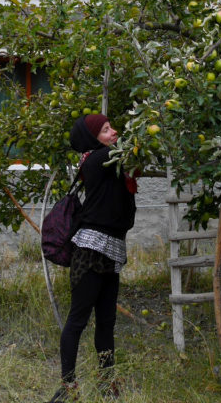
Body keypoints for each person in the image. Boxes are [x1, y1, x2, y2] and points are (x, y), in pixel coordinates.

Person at [48, 113, 137, 402]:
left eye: (112, 127)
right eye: (106, 130)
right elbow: (132, 147)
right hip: (90, 252)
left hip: (111, 252)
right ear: (92, 139)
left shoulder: (111, 163)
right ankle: (68, 387)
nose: (114, 133)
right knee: (77, 320)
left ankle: (107, 383)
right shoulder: (98, 160)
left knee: (106, 322)